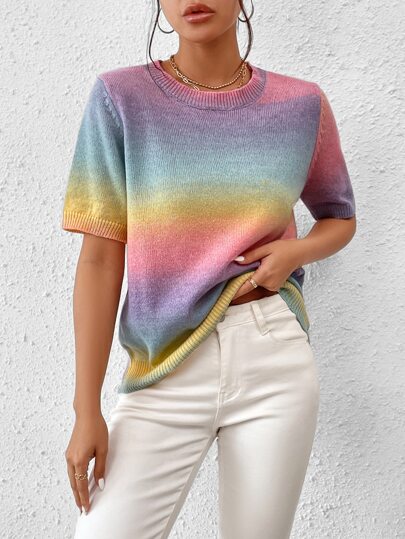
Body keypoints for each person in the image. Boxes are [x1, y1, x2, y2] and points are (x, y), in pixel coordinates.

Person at [61, 1, 356, 537]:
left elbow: (339, 216)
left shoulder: (301, 104)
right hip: (164, 365)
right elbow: (101, 260)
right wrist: (87, 410)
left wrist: (293, 254)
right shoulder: (120, 98)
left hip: (273, 360)